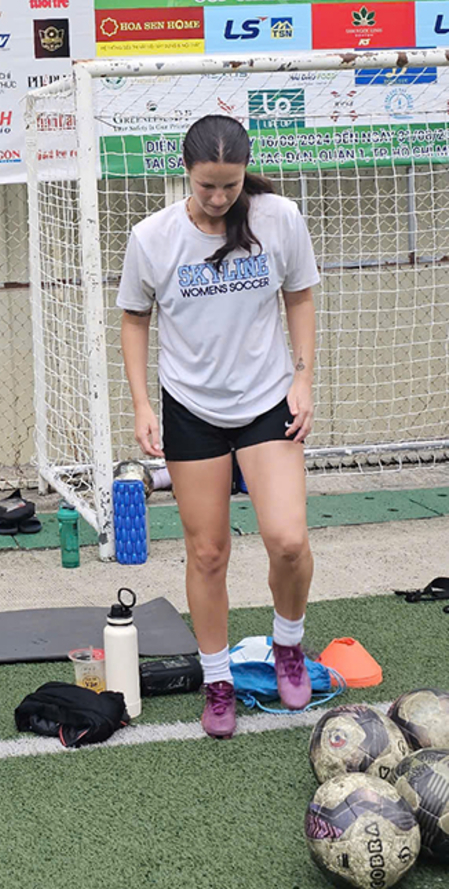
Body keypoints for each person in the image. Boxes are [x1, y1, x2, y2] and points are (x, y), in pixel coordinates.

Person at [117, 114, 320, 740]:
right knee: (208, 552)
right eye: (207, 186)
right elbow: (132, 318)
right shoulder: (152, 237)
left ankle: (288, 643)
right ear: (187, 172)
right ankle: (218, 679)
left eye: (229, 186)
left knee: (287, 539)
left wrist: (303, 376)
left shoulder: (278, 217)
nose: (218, 198)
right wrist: (142, 405)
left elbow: (301, 294)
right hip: (190, 410)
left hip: (266, 402)